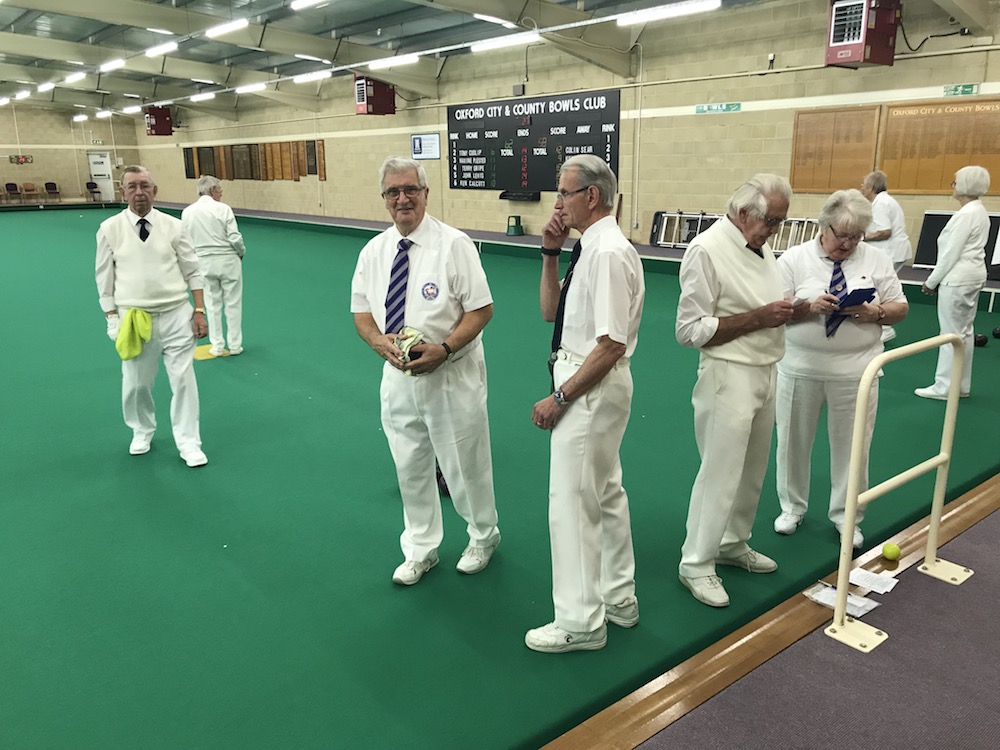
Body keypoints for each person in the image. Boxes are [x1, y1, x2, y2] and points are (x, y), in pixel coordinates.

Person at [350, 156, 501, 586]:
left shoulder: (454, 245)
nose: (403, 199)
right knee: (410, 464)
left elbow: (481, 309)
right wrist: (378, 342)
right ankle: (420, 547)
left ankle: (483, 536)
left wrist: (445, 348)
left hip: (451, 373)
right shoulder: (373, 252)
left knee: (465, 464)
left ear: (426, 193)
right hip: (398, 376)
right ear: (384, 198)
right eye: (393, 192)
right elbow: (362, 313)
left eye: (410, 190)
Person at [524, 155, 645, 654]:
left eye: (564, 193)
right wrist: (550, 254)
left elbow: (612, 344)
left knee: (572, 503)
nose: (558, 203)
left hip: (589, 386)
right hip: (588, 380)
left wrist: (560, 397)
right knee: (605, 491)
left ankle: (580, 621)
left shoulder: (608, 253)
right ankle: (618, 597)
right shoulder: (588, 248)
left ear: (591, 196)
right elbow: (550, 312)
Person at [675, 174, 794, 608]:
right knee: (720, 473)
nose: (774, 230)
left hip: (766, 368)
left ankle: (732, 542)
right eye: (771, 221)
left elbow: (763, 307)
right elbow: (689, 330)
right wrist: (760, 318)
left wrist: (794, 310)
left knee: (752, 470)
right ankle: (696, 562)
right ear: (744, 213)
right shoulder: (706, 249)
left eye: (780, 222)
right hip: (728, 373)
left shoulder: (760, 245)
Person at [773, 190, 908, 550]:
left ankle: (847, 516)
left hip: (857, 372)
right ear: (824, 226)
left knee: (853, 447)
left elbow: (900, 307)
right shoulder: (794, 258)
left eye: (856, 236)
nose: (847, 244)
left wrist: (877, 312)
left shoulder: (877, 259)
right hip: (800, 366)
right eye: (841, 235)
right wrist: (807, 307)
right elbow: (775, 309)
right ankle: (792, 507)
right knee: (792, 442)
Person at [96, 165, 209, 467]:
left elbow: (193, 271)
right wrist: (111, 317)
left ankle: (189, 442)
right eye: (132, 186)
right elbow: (104, 279)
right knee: (136, 383)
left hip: (176, 315)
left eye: (144, 185)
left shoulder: (175, 226)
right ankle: (141, 430)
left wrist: (199, 311)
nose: (139, 192)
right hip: (134, 318)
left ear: (154, 191)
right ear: (122, 192)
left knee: (183, 380)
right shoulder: (109, 229)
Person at [916, 166, 991, 400]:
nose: (953, 186)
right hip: (972, 276)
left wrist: (931, 282)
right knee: (964, 333)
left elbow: (950, 254)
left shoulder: (966, 215)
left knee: (950, 334)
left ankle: (945, 386)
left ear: (965, 186)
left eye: (955, 182)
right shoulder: (979, 211)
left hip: (958, 279)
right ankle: (961, 384)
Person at [181, 175, 247, 357]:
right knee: (233, 303)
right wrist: (241, 251)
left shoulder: (187, 212)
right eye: (219, 190)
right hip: (228, 260)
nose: (221, 194)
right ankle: (235, 345)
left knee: (211, 304)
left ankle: (217, 346)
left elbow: (185, 241)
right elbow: (234, 237)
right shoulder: (223, 209)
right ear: (212, 191)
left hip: (203, 262)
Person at [861, 170, 911, 343]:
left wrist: (862, 238)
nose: (862, 188)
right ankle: (885, 326)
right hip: (894, 251)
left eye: (864, 185)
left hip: (890, 251)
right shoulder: (885, 201)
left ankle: (886, 328)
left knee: (880, 288)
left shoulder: (881, 203)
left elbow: (884, 231)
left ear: (871, 187)